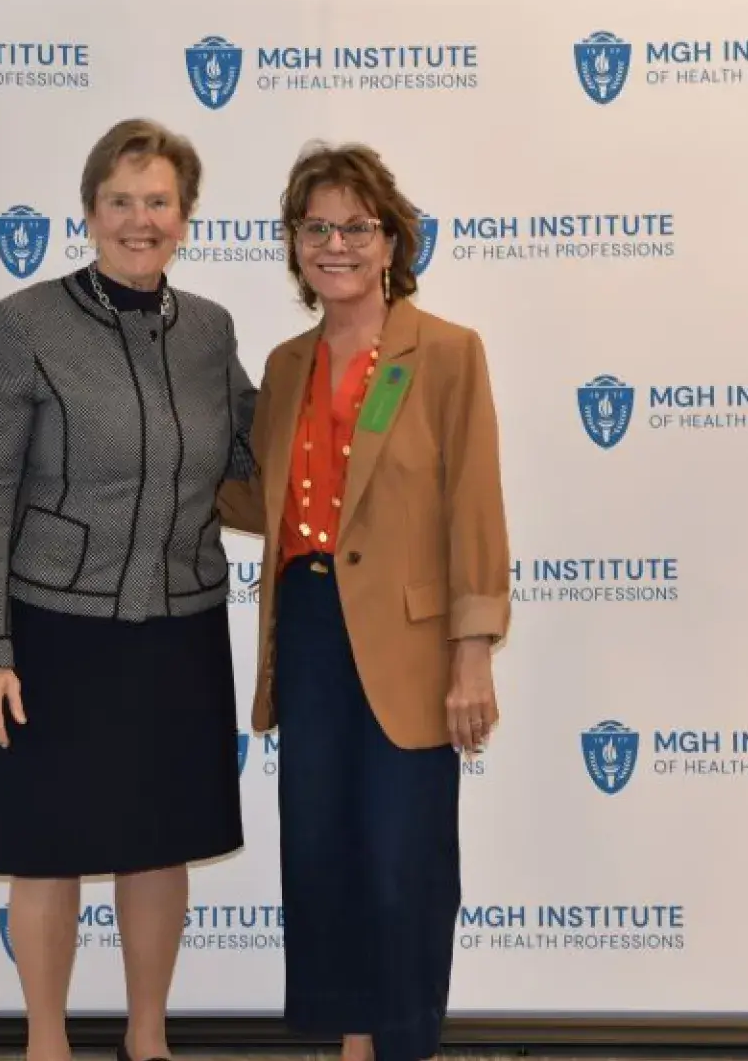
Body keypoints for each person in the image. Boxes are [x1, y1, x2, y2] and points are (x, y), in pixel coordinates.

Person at [0, 117, 258, 1061]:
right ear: (88, 212)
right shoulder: (24, 325)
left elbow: (256, 453)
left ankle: (146, 1040)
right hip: (53, 634)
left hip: (180, 628)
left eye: (158, 201)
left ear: (185, 218)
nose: (139, 219)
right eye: (120, 201)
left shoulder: (211, 331)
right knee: (46, 848)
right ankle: (46, 1043)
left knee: (160, 842)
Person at [227, 141, 511, 1061]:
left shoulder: (446, 353)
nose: (336, 245)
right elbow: (261, 495)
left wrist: (473, 651)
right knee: (324, 851)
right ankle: (355, 1044)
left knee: (403, 862)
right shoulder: (284, 365)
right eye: (316, 228)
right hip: (308, 630)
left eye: (356, 227)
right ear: (294, 245)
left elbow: (474, 506)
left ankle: (402, 1045)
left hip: (411, 641)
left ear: (390, 241)